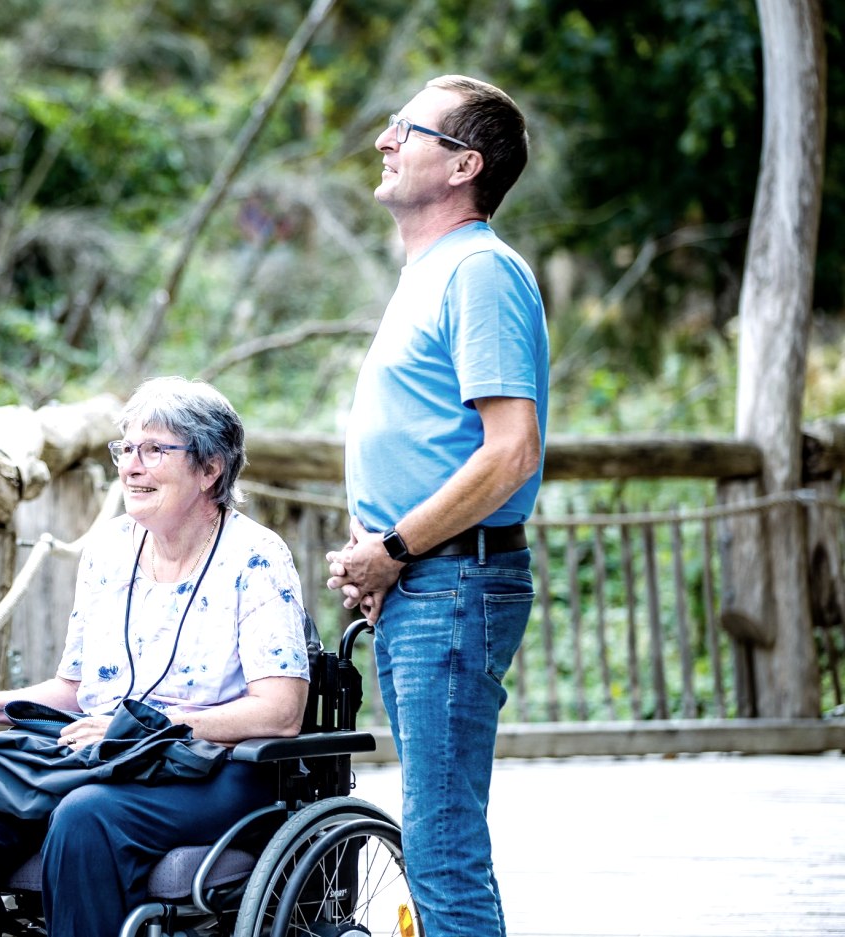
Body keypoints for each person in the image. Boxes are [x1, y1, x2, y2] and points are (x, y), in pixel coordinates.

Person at [0, 376, 313, 937]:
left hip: (217, 766)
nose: (131, 466)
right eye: (126, 449)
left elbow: (281, 711)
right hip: (104, 755)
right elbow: (76, 691)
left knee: (87, 816)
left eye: (154, 450)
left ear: (210, 469)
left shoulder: (257, 557)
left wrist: (147, 726)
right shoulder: (108, 550)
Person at [325, 75, 549, 937]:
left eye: (404, 129)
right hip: (426, 582)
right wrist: (384, 552)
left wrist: (395, 543)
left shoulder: (482, 272)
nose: (384, 140)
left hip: (454, 585)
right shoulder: (433, 271)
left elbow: (510, 451)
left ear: (464, 163)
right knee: (435, 837)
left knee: (442, 843)